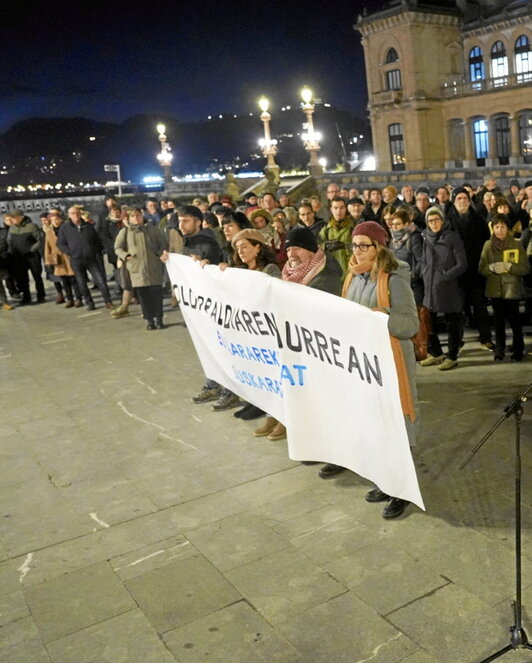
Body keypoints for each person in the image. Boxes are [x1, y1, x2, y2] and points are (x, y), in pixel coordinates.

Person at [319, 221, 420, 520]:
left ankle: (400, 490)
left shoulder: (395, 276)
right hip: (363, 363)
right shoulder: (351, 274)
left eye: (365, 245)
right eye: (355, 245)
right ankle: (384, 480)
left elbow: (410, 325)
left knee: (396, 426)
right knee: (373, 424)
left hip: (392, 362)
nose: (358, 251)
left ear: (379, 247)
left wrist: (381, 317)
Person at [420, 207, 467, 370]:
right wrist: (424, 272)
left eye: (436, 219)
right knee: (429, 322)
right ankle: (436, 353)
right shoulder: (425, 237)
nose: (433, 223)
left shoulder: (452, 237)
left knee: (452, 321)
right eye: (430, 220)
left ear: (442, 220)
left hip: (449, 287)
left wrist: (446, 276)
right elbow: (424, 260)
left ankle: (452, 356)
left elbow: (462, 264)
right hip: (430, 286)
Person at [478, 214, 530, 361]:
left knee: (515, 322)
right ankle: (499, 350)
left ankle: (518, 349)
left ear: (508, 228)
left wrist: (510, 267)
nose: (500, 230)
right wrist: (492, 268)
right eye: (497, 227)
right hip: (495, 290)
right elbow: (481, 268)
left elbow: (525, 268)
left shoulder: (516, 244)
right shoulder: (488, 245)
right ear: (493, 228)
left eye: (502, 226)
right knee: (498, 322)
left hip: (512, 290)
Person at [116, 208, 168, 330]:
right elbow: (118, 248)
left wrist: (160, 254)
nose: (136, 218)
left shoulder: (153, 230)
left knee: (157, 295)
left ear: (142, 215)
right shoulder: (125, 232)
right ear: (128, 218)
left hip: (153, 267)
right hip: (137, 269)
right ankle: (149, 320)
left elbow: (163, 244)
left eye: (138, 215)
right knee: (144, 297)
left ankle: (159, 319)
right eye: (132, 216)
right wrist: (126, 256)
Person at [57, 206, 114, 311]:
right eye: (73, 213)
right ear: (69, 215)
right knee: (81, 282)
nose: (75, 215)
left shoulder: (88, 226)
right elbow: (60, 243)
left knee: (101, 281)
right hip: (76, 260)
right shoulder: (65, 228)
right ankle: (89, 302)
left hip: (91, 258)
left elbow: (96, 240)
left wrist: (97, 250)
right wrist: (70, 252)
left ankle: (108, 301)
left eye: (77, 213)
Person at [6, 210, 45, 305]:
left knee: (37, 276)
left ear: (20, 217)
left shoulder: (32, 226)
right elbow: (9, 241)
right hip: (19, 257)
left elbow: (40, 240)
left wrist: (32, 249)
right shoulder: (12, 228)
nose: (12, 220)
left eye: (14, 218)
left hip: (32, 256)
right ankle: (26, 297)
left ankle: (41, 295)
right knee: (22, 278)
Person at [43, 212, 82, 308]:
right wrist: (48, 260)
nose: (55, 222)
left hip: (69, 256)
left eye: (56, 219)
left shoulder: (67, 229)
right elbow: (47, 247)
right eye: (52, 220)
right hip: (58, 259)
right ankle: (70, 299)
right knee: (64, 281)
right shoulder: (49, 232)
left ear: (60, 219)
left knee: (74, 280)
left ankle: (78, 299)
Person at [318, 197, 354, 277]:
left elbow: (361, 248)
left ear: (346, 208)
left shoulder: (353, 227)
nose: (339, 211)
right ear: (331, 209)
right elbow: (316, 248)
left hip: (350, 272)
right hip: (331, 273)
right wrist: (324, 246)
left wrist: (345, 246)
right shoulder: (326, 229)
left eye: (341, 208)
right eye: (335, 208)